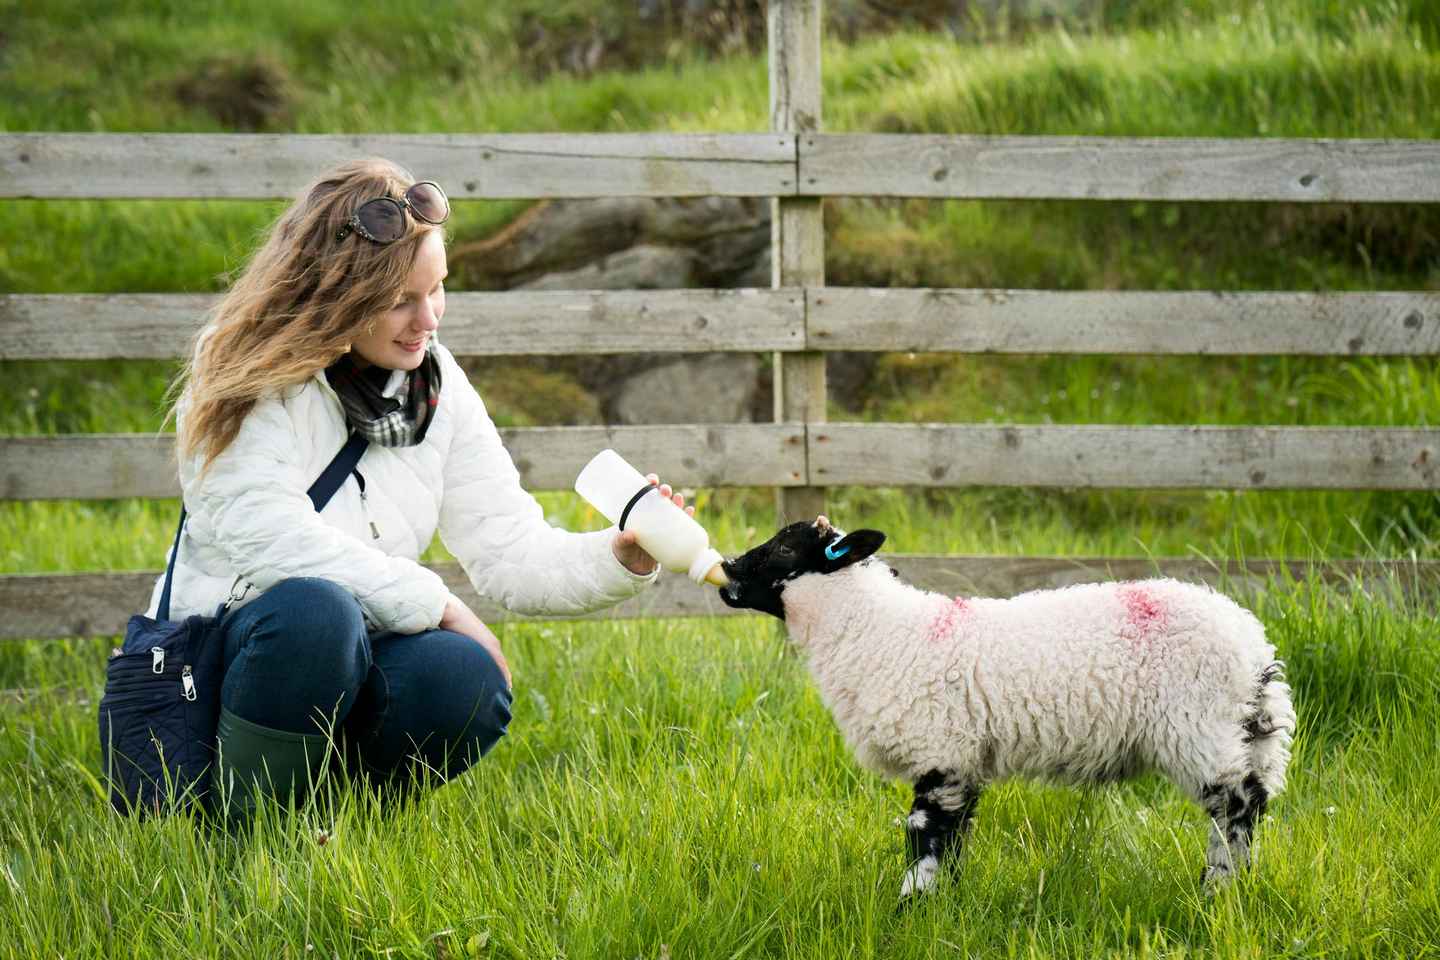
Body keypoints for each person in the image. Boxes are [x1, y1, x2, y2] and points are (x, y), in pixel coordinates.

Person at [152, 157, 692, 819]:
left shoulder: (434, 384)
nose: (429, 318)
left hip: (350, 652)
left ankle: (331, 831)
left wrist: (620, 555)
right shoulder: (241, 372)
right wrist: (438, 602)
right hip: (216, 676)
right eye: (401, 300)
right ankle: (242, 834)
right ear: (338, 293)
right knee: (317, 614)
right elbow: (264, 537)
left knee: (464, 676)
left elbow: (508, 548)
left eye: (437, 289)